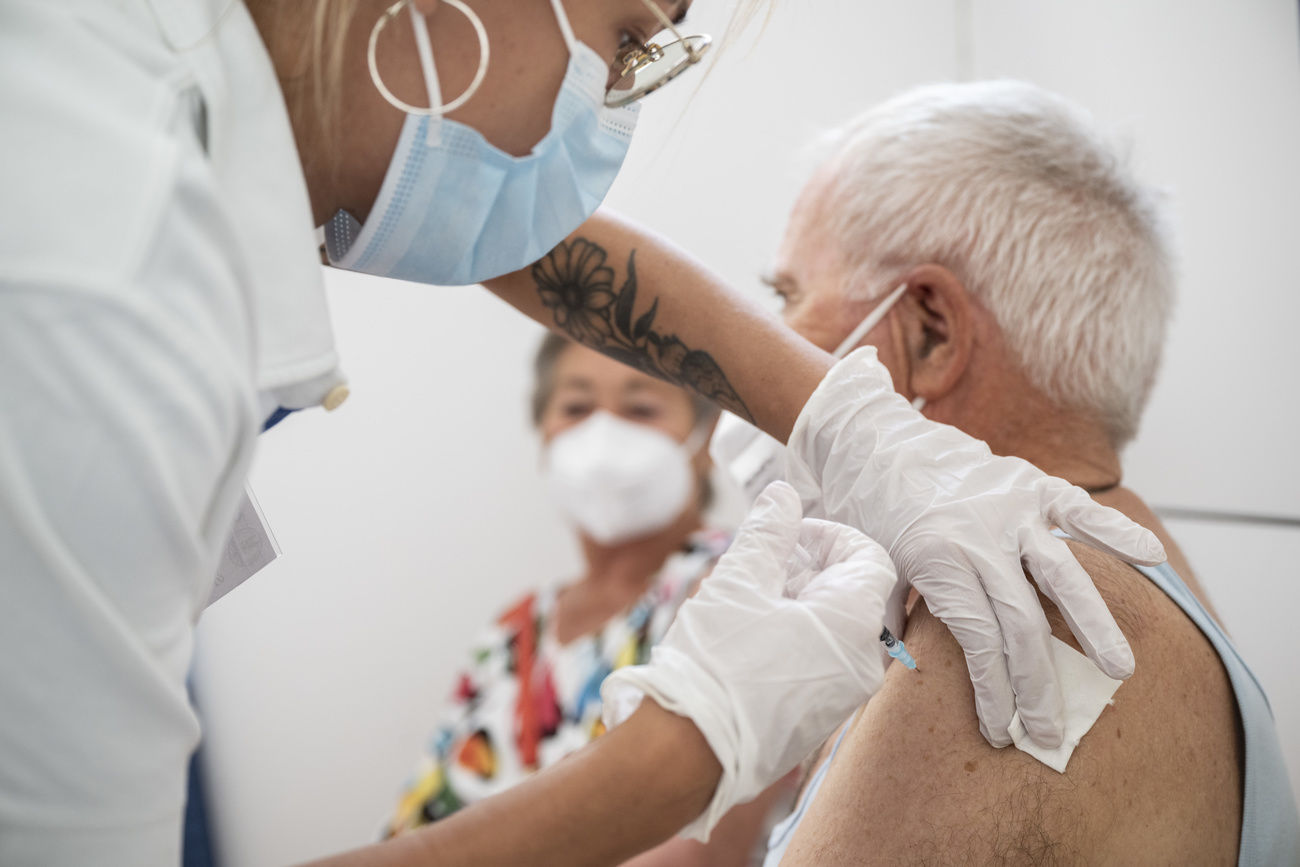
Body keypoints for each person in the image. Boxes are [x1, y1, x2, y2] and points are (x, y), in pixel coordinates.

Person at [1, 0, 1167, 862]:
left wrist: (842, 419)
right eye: (623, 43)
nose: (601, 119)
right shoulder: (100, 288)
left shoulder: (126, 92)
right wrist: (688, 749)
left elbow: (518, 229)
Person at [748, 80, 1300, 866]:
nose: (772, 335)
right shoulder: (1136, 546)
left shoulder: (1013, 613)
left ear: (932, 332)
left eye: (788, 295)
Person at [385, 334, 789, 864]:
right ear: (543, 432)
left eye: (640, 408)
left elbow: (702, 851)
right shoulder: (512, 632)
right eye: (575, 407)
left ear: (706, 435)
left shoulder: (739, 588)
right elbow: (415, 827)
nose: (603, 434)